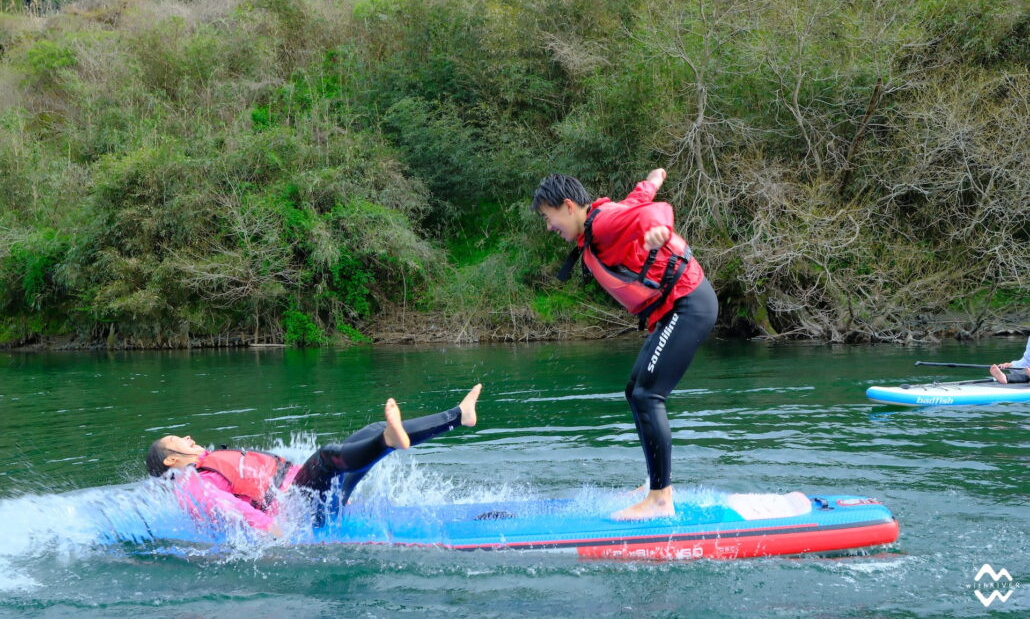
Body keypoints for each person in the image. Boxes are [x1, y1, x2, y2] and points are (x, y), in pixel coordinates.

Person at [532, 169, 718, 520]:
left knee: (648, 395)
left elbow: (653, 212)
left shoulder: (602, 224)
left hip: (688, 303)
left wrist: (656, 231)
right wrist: (652, 180)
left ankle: (661, 500)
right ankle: (657, 483)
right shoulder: (600, 221)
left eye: (548, 217)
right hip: (677, 307)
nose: (549, 226)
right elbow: (638, 199)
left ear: (568, 206)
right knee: (635, 390)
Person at [145, 385, 481, 535]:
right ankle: (387, 441)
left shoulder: (212, 459)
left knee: (373, 429)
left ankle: (458, 415)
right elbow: (229, 509)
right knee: (325, 457)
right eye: (178, 440)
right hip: (300, 511)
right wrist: (272, 531)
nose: (187, 437)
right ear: (173, 459)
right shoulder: (197, 481)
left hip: (311, 497)